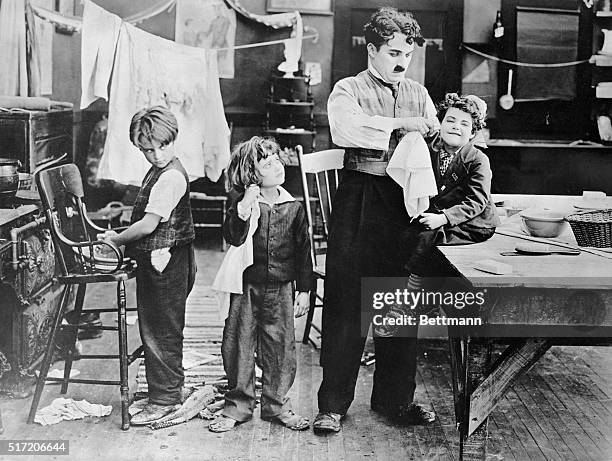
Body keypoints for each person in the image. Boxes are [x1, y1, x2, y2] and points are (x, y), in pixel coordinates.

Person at [314, 7, 440, 434]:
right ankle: (332, 403)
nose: (402, 60)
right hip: (361, 201)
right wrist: (404, 125)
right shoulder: (346, 89)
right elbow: (346, 131)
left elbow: (434, 134)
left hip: (403, 205)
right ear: (371, 50)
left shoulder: (419, 93)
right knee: (348, 302)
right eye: (392, 52)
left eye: (407, 52)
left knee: (400, 304)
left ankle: (394, 400)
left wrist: (441, 132)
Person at [374, 92, 500, 337]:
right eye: (450, 120)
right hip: (439, 215)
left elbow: (477, 200)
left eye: (465, 124)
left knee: (428, 238)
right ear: (440, 124)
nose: (456, 127)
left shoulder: (477, 159)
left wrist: (443, 218)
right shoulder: (429, 151)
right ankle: (417, 301)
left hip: (474, 223)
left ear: (473, 134)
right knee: (406, 234)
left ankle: (408, 305)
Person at [208, 137, 312, 432]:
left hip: (281, 289)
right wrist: (243, 207)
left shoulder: (293, 206)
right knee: (238, 345)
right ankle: (237, 406)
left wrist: (304, 290)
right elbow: (234, 237)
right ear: (251, 174)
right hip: (246, 287)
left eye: (277, 160)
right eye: (266, 164)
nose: (277, 166)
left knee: (280, 348)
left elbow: (304, 251)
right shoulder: (240, 202)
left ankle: (276, 405)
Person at [103, 106, 196, 425]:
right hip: (163, 259)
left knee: (162, 331)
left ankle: (166, 398)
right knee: (157, 327)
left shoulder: (170, 176)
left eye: (162, 146)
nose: (155, 154)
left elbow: (146, 226)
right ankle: (165, 388)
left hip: (167, 262)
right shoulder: (162, 169)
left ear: (173, 140)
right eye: (147, 149)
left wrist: (116, 239)